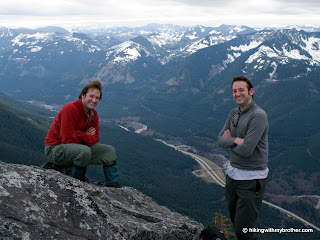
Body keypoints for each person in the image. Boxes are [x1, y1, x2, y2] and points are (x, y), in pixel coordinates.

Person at [217, 76, 269, 240]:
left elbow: (247, 150)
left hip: (251, 180)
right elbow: (220, 140)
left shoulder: (258, 116)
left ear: (251, 92)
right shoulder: (234, 113)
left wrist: (230, 141)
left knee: (243, 231)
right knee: (236, 223)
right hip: (232, 177)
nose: (237, 94)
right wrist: (237, 140)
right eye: (234, 91)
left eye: (241, 90)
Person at [44, 80, 120, 188]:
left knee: (109, 151)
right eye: (91, 96)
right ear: (83, 95)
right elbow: (67, 139)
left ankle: (113, 185)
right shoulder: (70, 108)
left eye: (97, 98)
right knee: (84, 151)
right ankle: (76, 183)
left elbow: (95, 138)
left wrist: (78, 134)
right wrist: (84, 134)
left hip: (78, 148)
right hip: (55, 149)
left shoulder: (93, 114)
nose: (94, 100)